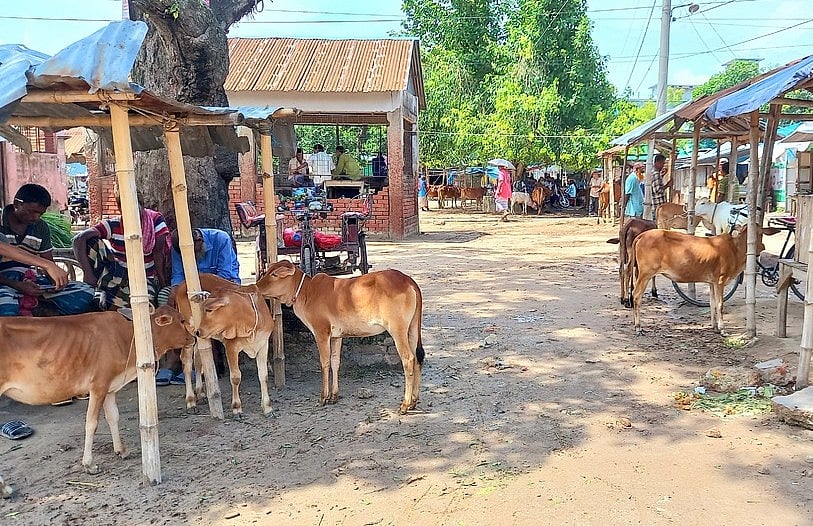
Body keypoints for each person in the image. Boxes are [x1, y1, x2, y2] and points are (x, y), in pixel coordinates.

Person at [156, 227, 241, 385]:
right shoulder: (179, 246)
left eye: (194, 252)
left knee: (207, 312)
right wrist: (175, 294)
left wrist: (200, 290)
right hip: (191, 288)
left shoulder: (221, 239)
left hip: (222, 286)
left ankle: (207, 362)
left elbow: (225, 274)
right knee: (169, 303)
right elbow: (177, 275)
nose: (192, 257)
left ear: (199, 242)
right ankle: (176, 358)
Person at [0, 184, 94, 317]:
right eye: (32, 212)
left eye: (41, 213)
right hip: (4, 283)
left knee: (85, 292)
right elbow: (5, 249)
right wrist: (17, 285)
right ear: (17, 204)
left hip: (30, 281)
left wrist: (55, 283)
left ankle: (34, 304)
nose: (36, 217)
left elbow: (47, 262)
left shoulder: (40, 227)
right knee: (6, 305)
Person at [74, 195, 170, 310]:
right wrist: (88, 274)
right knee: (90, 242)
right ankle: (107, 294)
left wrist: (163, 286)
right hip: (117, 276)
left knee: (141, 310)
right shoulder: (113, 225)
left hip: (145, 277)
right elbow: (78, 239)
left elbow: (158, 255)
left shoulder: (155, 222)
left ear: (142, 207)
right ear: (120, 208)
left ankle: (114, 300)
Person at [651, 154, 669, 219]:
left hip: (655, 205)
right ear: (657, 162)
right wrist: (667, 185)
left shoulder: (653, 172)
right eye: (662, 163)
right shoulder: (656, 174)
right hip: (658, 205)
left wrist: (662, 176)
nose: (663, 165)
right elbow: (657, 190)